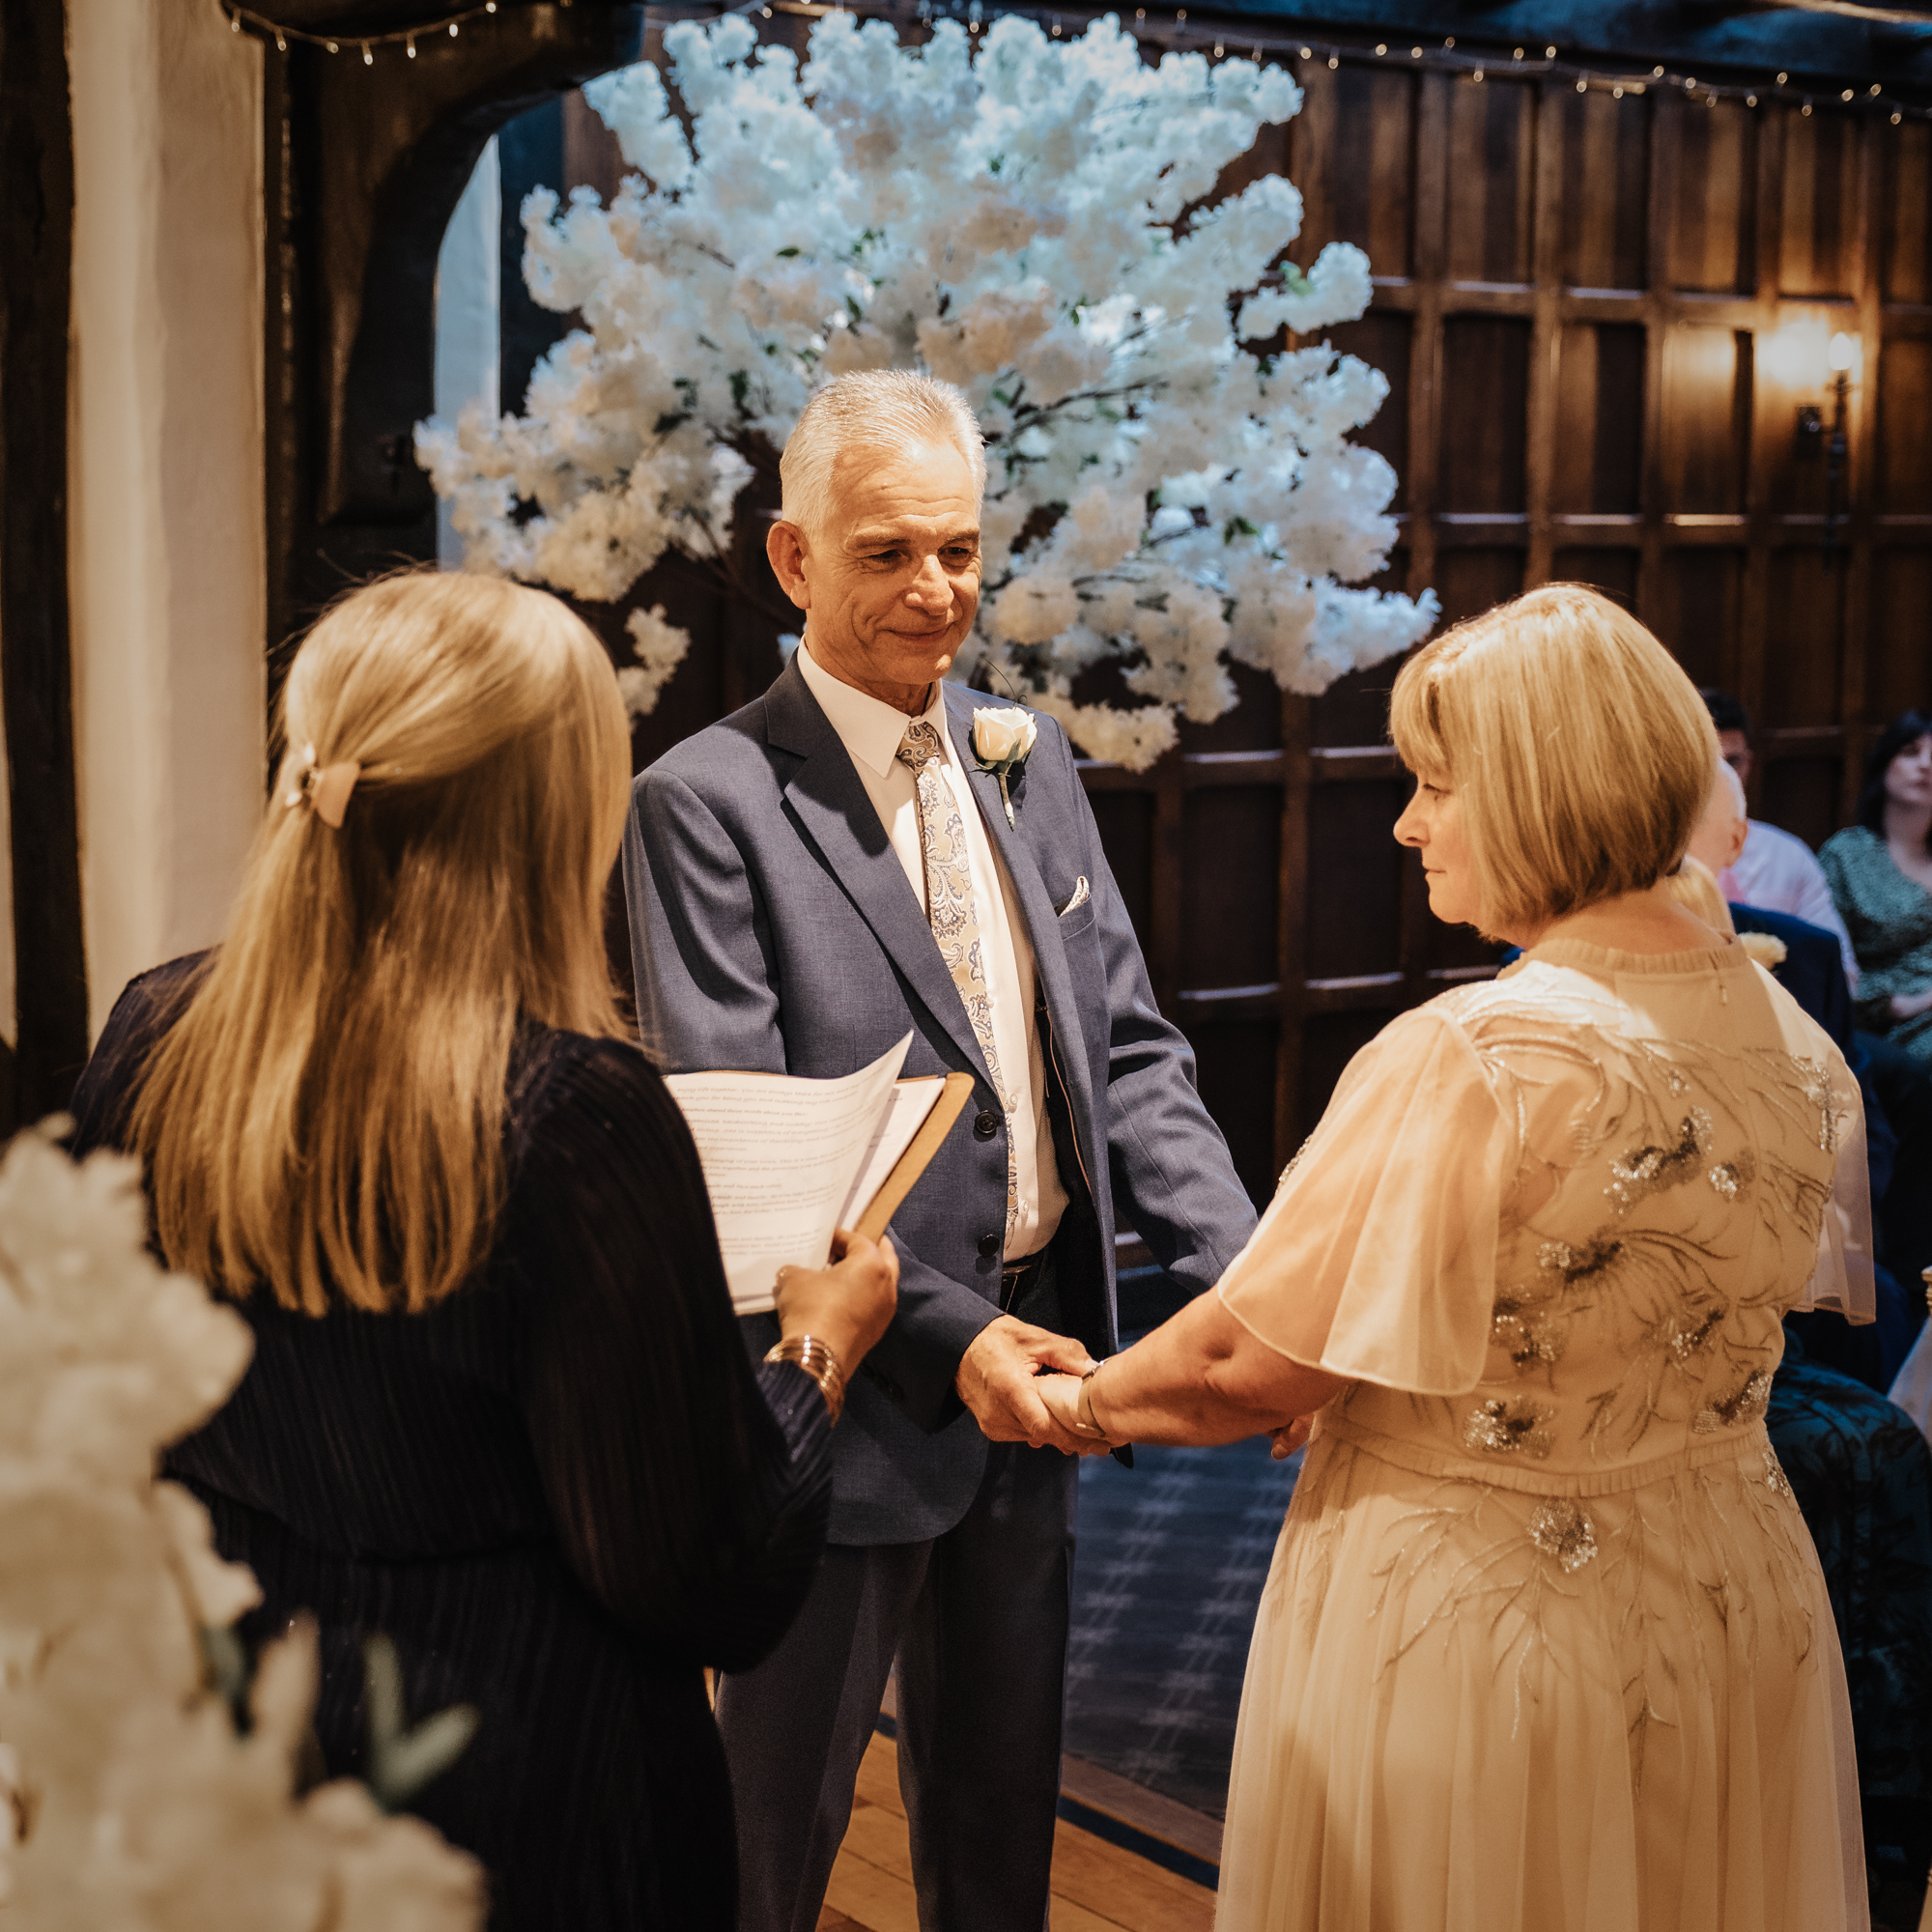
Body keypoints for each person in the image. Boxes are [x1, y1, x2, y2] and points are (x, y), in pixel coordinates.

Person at [65, 571, 899, 1932]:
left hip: (244, 1739)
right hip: (530, 1783)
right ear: (551, 807)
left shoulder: (156, 1033)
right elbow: (711, 1579)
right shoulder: (572, 1117)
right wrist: (818, 1347)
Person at [1041, 585, 1875, 1930]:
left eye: (1437, 784)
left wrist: (1071, 1404)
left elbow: (1248, 1361)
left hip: (1490, 1624)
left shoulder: (1485, 1055)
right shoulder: (1792, 1034)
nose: (1408, 823)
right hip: (1735, 1597)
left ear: (1548, 794)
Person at [624, 368, 1257, 1932]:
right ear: (793, 561)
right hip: (840, 1395)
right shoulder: (705, 801)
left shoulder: (1024, 759)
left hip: (1043, 1377)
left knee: (995, 1830)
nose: (938, 591)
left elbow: (1127, 1052)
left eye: (962, 551)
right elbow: (750, 1132)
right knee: (772, 1829)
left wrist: (1252, 1285)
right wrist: (963, 1339)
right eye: (889, 553)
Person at [1701, 686, 1859, 983]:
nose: (1719, 779)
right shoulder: (1650, 856)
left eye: (1732, 762)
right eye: (1707, 762)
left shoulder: (1787, 855)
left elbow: (1841, 972)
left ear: (1749, 762)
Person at [1822, 712, 1932, 1067]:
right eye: (1911, 752)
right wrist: (1904, 1004)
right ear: (1885, 764)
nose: (1926, 766)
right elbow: (1825, 963)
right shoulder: (1846, 855)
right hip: (1896, 1021)